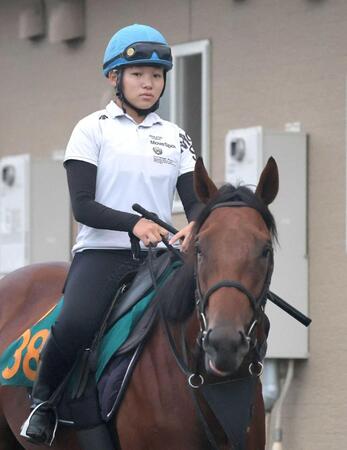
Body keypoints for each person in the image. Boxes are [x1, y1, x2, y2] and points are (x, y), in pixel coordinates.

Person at [20, 23, 201, 446]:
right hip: (102, 254)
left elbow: (195, 204)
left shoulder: (176, 137)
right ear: (113, 77)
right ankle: (43, 404)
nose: (149, 83)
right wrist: (133, 223)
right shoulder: (92, 129)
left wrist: (197, 222)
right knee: (74, 325)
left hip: (160, 258)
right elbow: (83, 206)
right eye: (137, 73)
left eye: (156, 76)